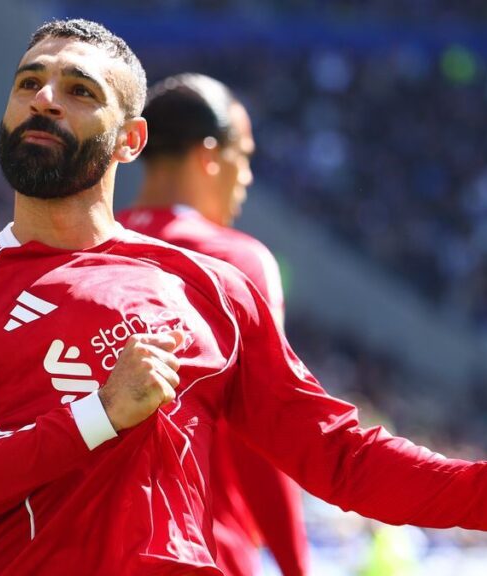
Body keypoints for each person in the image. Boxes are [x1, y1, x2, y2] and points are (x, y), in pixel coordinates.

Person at [0, 18, 487, 576]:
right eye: (29, 83)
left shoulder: (209, 284)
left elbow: (332, 451)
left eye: (79, 90)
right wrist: (98, 415)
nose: (44, 99)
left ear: (131, 141)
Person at [117, 74, 306, 576]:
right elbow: (266, 434)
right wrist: (295, 566)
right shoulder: (234, 260)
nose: (246, 177)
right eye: (243, 157)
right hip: (204, 550)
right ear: (209, 155)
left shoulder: (86, 252)